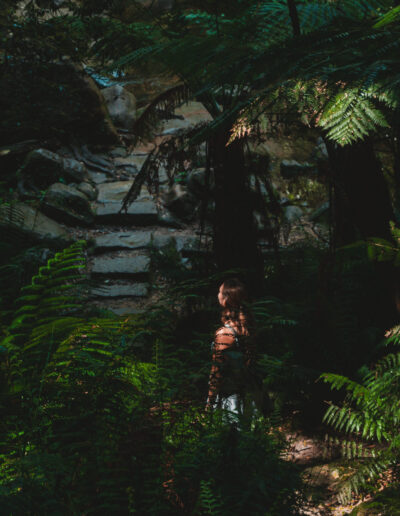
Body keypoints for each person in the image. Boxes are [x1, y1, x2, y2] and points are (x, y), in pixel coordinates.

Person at [207, 278, 255, 416]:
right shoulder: (247, 327)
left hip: (230, 401)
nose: (217, 294)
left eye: (219, 292)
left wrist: (210, 402)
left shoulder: (225, 334)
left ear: (226, 299)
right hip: (248, 396)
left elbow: (216, 371)